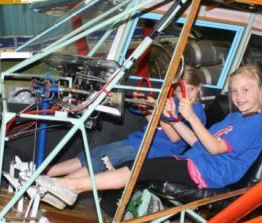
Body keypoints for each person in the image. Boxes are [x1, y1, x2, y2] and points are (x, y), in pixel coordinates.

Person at [37, 64, 262, 203]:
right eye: (235, 91)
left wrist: (189, 117)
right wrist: (175, 118)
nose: (239, 96)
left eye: (246, 90)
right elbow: (195, 142)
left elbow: (214, 148)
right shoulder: (234, 118)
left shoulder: (255, 124)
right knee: (131, 162)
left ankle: (73, 187)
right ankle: (61, 184)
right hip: (195, 162)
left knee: (140, 167)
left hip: (208, 173)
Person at [46, 66, 206, 179]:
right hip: (138, 140)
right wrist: (148, 109)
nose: (185, 95)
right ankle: (44, 174)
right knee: (93, 153)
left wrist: (159, 111)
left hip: (154, 151)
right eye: (180, 91)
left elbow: (174, 137)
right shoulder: (174, 103)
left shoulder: (196, 111)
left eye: (191, 90)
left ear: (199, 88)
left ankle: (60, 185)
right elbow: (155, 124)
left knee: (103, 160)